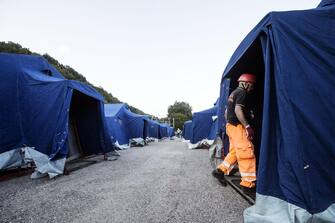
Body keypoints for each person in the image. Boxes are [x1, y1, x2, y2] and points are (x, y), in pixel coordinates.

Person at [212, 73, 256, 193]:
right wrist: (247, 126)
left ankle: (220, 171)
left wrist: (230, 124)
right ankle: (248, 184)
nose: (252, 88)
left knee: (235, 152)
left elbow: (226, 112)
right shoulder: (242, 92)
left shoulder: (233, 93)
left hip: (230, 127)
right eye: (251, 86)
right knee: (246, 153)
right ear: (246, 84)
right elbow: (237, 109)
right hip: (238, 127)